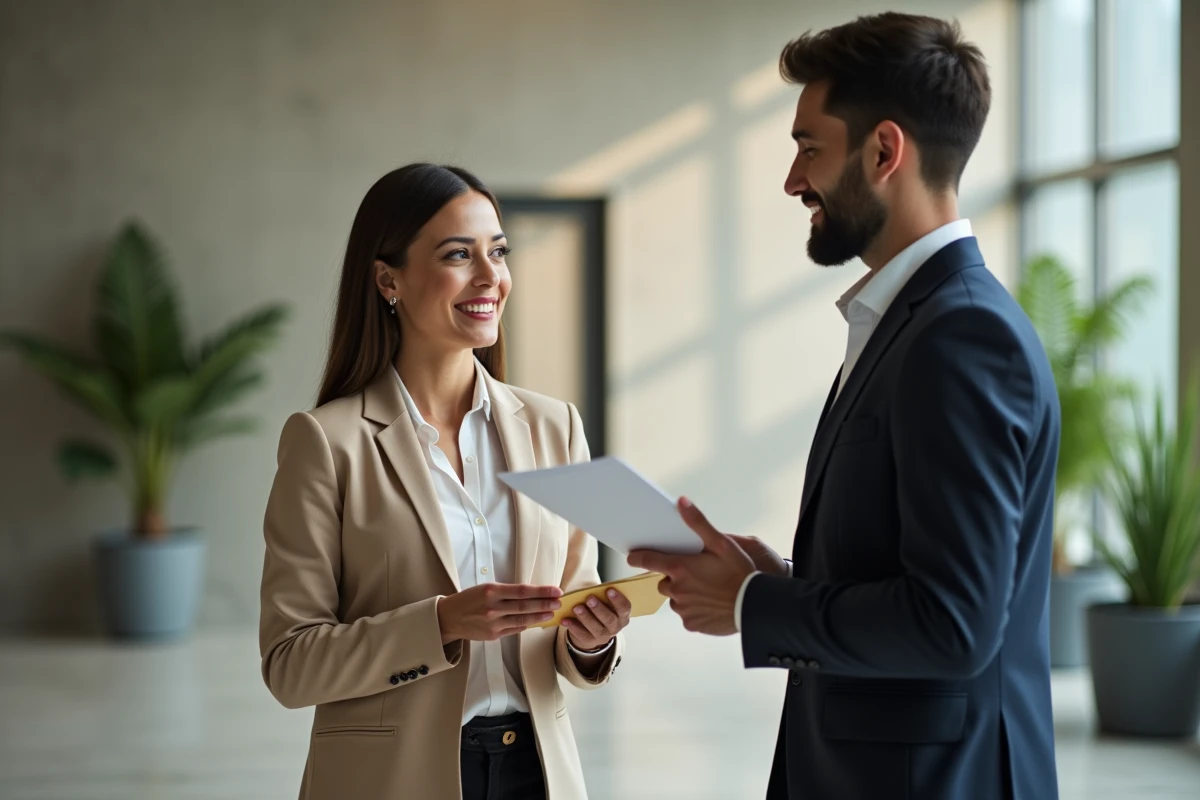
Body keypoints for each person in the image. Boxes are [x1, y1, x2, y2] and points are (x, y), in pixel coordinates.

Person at [629, 13, 1060, 800]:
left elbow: (954, 625)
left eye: (807, 147)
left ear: (884, 151)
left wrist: (756, 604)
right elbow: (923, 570)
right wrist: (787, 578)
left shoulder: (959, 335)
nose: (793, 181)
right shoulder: (914, 320)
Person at [259, 163, 630, 800]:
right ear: (387, 279)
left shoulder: (554, 427)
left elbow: (573, 612)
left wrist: (590, 642)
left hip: (536, 773)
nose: (491, 277)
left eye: (498, 251)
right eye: (459, 255)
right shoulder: (326, 443)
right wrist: (443, 622)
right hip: (390, 781)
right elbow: (291, 666)